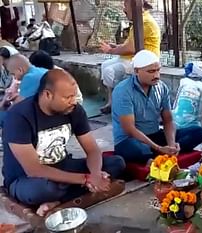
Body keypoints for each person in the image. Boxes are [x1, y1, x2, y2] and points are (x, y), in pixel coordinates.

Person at [1, 69, 126, 216]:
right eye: (68, 97)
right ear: (48, 95)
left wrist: (96, 174)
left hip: (63, 166)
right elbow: (34, 169)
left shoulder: (74, 110)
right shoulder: (19, 116)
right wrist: (85, 179)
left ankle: (57, 200)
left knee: (116, 163)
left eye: (74, 96)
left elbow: (92, 150)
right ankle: (68, 193)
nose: (73, 101)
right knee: (45, 189)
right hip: (26, 179)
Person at [111, 50, 202, 164]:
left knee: (198, 132)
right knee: (136, 149)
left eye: (158, 70)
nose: (156, 75)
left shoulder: (161, 87)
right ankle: (153, 154)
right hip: (131, 140)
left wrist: (171, 144)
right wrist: (158, 148)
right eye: (151, 71)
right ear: (136, 71)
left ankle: (159, 154)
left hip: (155, 136)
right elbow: (129, 129)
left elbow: (168, 121)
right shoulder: (123, 91)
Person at [99, 0, 161, 114]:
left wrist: (111, 50)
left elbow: (131, 48)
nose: (124, 10)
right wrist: (116, 47)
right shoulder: (139, 20)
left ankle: (119, 101)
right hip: (132, 57)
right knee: (105, 65)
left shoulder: (145, 22)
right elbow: (129, 45)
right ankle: (111, 101)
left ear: (134, 7)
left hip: (144, 61)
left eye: (125, 6)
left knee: (109, 71)